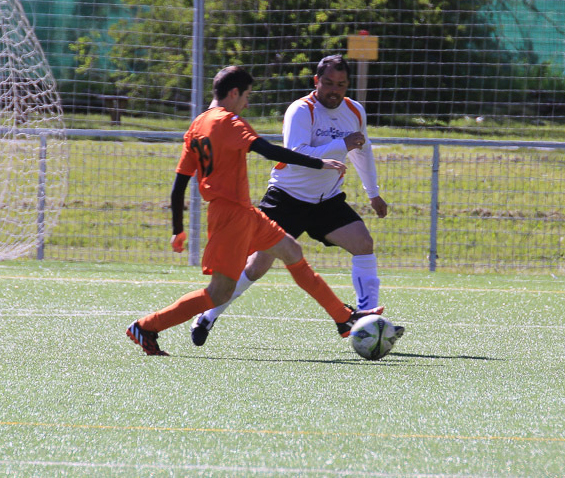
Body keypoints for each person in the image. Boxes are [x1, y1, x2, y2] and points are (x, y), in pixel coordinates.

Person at [126, 65, 384, 356]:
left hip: (244, 213)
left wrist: (177, 229)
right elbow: (269, 151)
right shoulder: (229, 122)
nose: (247, 104)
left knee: (292, 251)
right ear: (234, 93)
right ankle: (147, 326)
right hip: (231, 217)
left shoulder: (197, 126)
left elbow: (179, 186)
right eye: (247, 96)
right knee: (219, 292)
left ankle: (343, 318)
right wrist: (319, 163)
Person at [190, 54, 401, 347]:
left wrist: (373, 192)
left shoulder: (355, 111)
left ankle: (367, 319)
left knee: (363, 243)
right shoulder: (301, 110)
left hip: (326, 200)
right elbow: (296, 153)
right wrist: (341, 144)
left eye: (341, 84)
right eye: (328, 83)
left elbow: (361, 151)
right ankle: (207, 316)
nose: (334, 90)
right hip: (287, 198)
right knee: (256, 266)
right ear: (316, 81)